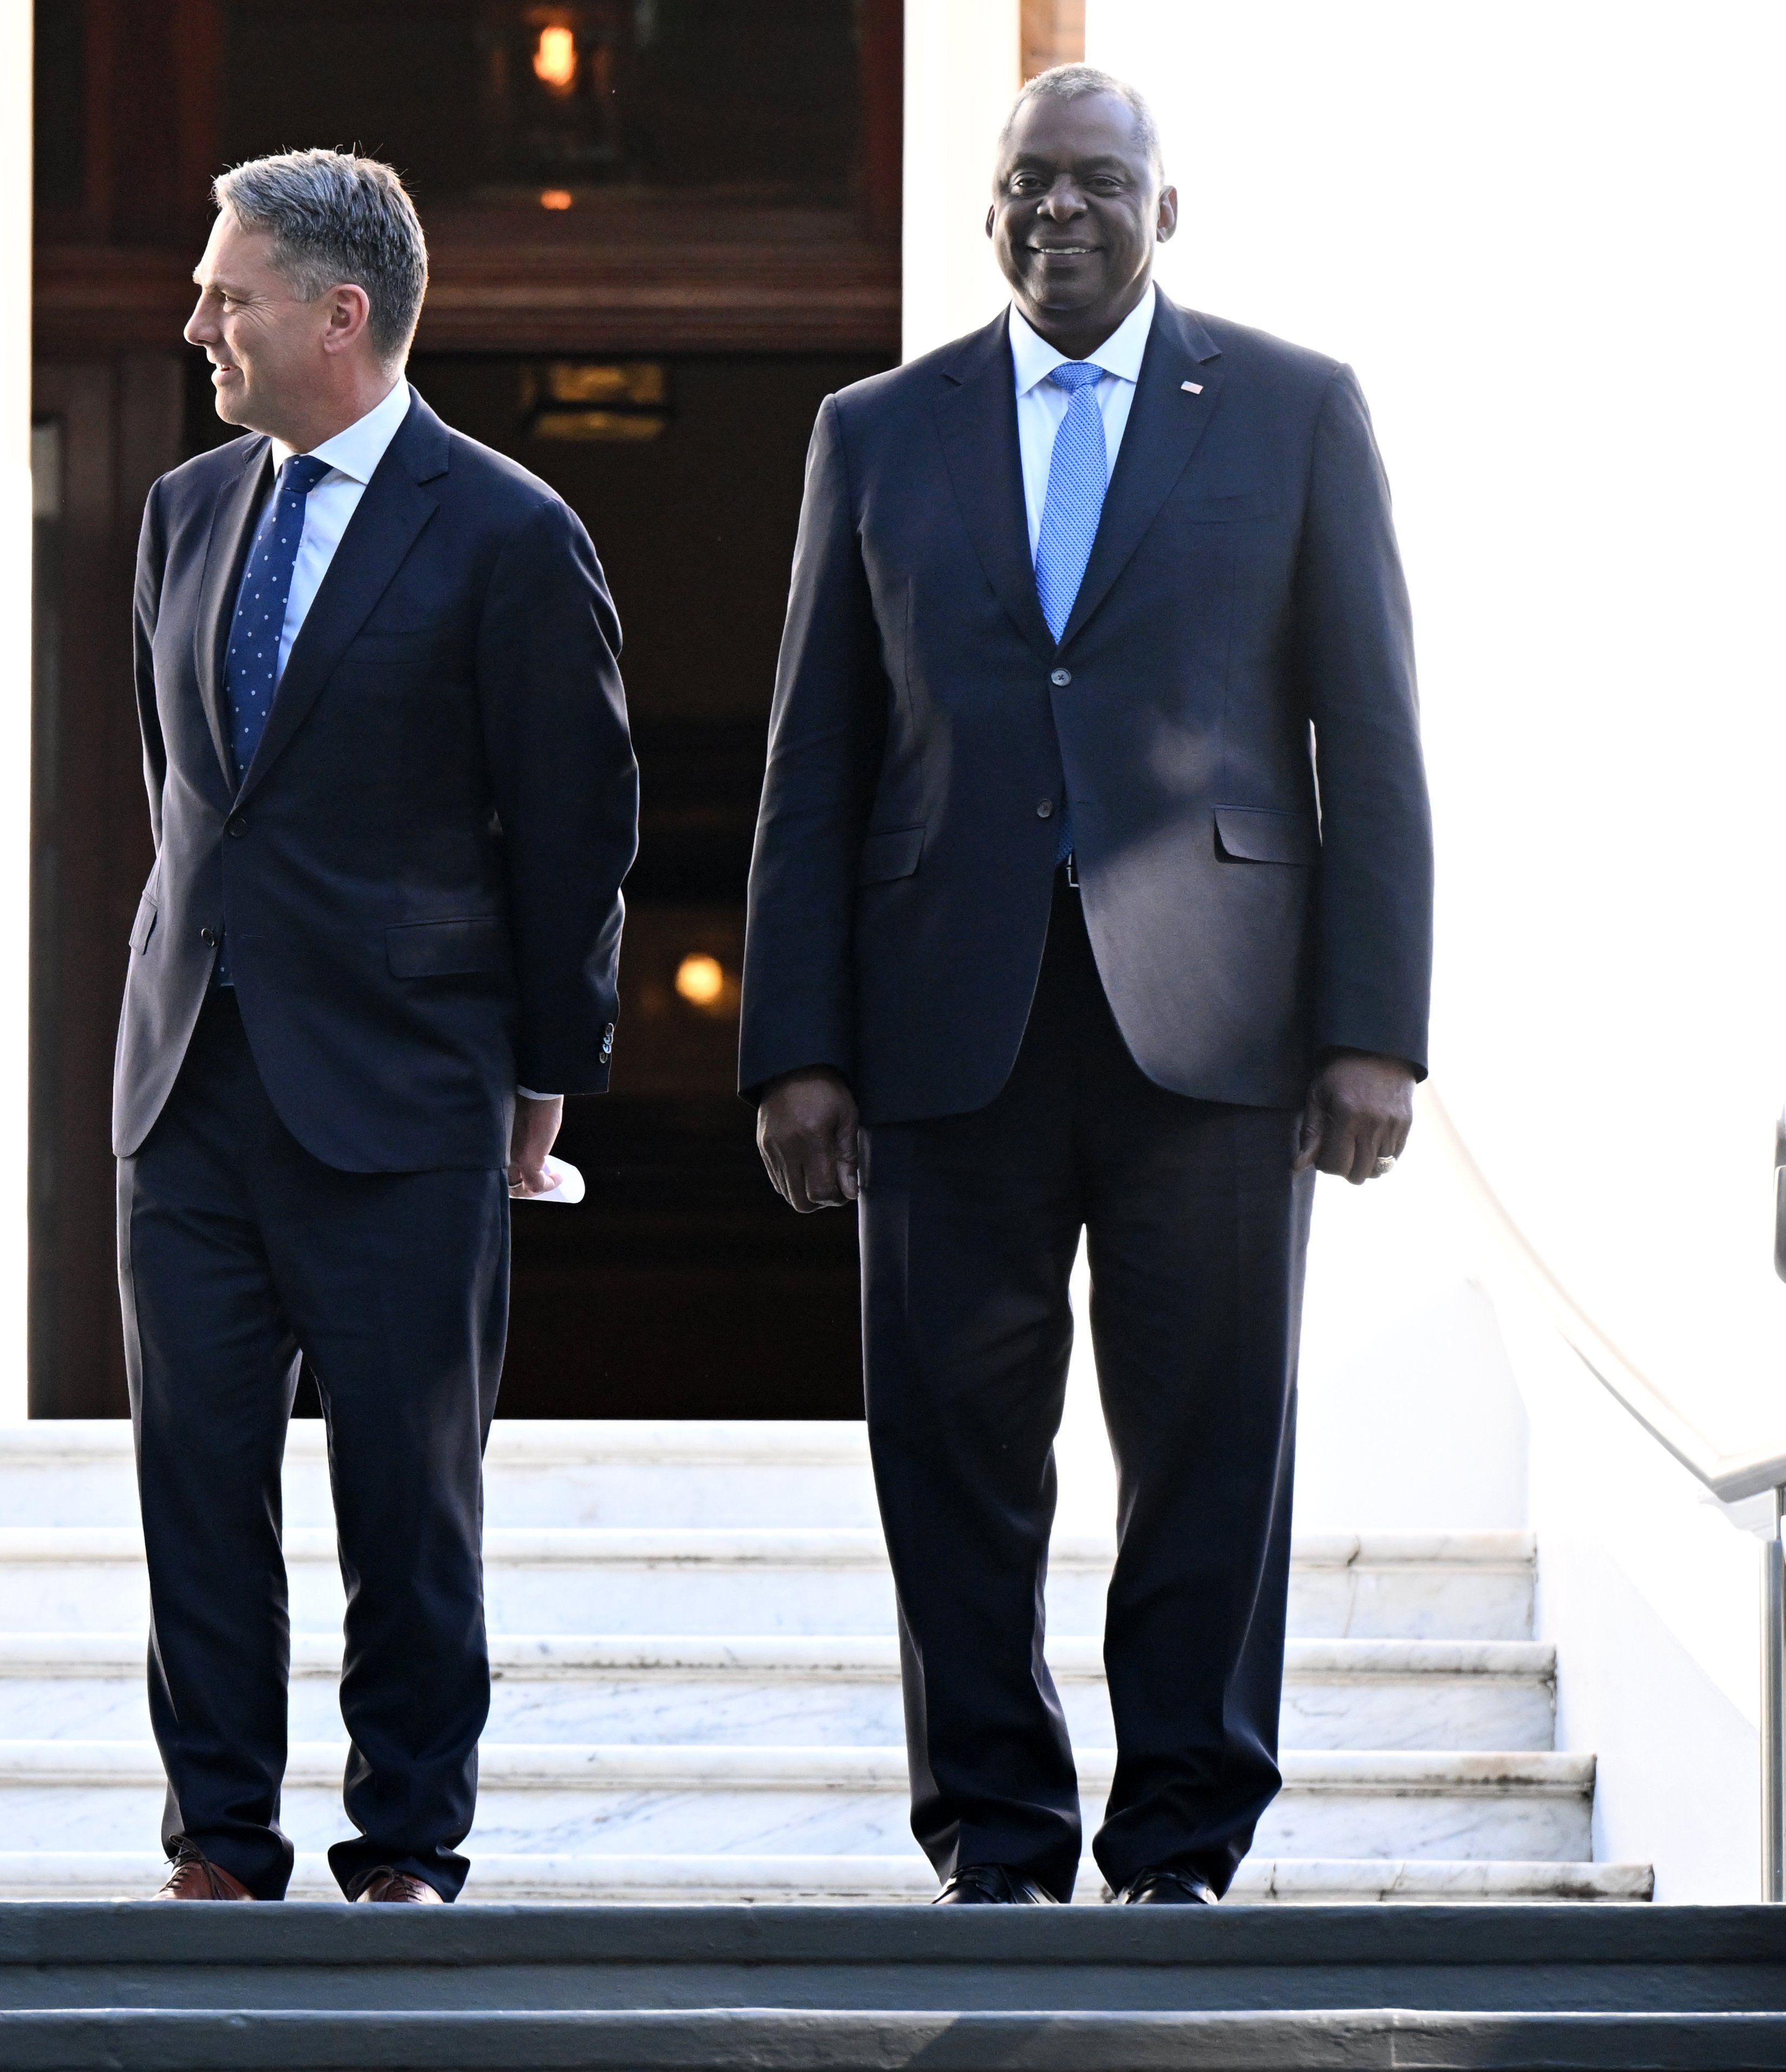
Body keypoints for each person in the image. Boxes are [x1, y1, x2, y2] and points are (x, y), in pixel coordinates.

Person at [739, 66, 1431, 1906]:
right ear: (987, 209)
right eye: (1024, 183)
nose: (1057, 211)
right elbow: (814, 760)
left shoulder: (1290, 413)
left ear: (1164, 209)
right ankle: (996, 1836)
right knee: (952, 1461)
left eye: (1096, 182)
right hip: (940, 1028)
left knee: (1209, 1447)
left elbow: (1366, 736)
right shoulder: (875, 433)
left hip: (1217, 1031)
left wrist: (1376, 1030)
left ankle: (1181, 1842)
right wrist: (791, 1048)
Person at [115, 151, 640, 1904]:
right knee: (195, 1486)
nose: (196, 319)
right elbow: (188, 799)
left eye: (227, 294)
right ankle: (218, 1836)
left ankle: (406, 1838)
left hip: (408, 1096)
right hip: (187, 1084)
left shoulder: (505, 531)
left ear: (339, 316)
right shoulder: (186, 511)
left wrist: (543, 1073)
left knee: (406, 1502)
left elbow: (575, 831)